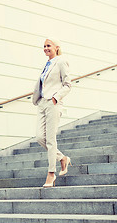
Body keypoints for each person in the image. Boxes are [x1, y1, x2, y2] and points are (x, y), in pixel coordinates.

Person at [32, 37, 72, 188]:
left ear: (56, 47)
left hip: (53, 103)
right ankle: (62, 158)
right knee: (39, 137)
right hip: (42, 102)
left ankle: (51, 174)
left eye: (48, 45)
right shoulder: (47, 64)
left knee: (50, 139)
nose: (46, 48)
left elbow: (68, 85)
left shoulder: (61, 61)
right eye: (44, 46)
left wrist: (56, 97)